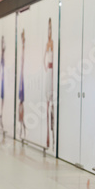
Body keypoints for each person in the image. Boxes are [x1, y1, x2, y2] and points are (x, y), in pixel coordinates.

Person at [43, 18, 54, 149]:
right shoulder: (47, 44)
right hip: (48, 74)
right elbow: (43, 59)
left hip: (51, 74)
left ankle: (51, 135)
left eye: (50, 28)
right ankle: (47, 136)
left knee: (51, 104)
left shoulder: (52, 43)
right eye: (48, 29)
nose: (49, 31)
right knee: (47, 104)